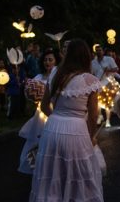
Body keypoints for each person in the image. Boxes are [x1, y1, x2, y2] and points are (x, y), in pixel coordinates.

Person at [29, 39, 103, 201]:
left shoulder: (55, 73)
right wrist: (91, 137)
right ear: (86, 56)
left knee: (52, 174)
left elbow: (44, 106)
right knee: (79, 175)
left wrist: (57, 118)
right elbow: (93, 116)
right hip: (77, 130)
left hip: (52, 129)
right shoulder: (89, 80)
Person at [18, 50, 61, 174]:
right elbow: (32, 95)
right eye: (45, 59)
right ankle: (38, 166)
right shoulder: (38, 77)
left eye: (50, 59)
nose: (47, 62)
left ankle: (54, 167)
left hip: (54, 112)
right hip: (40, 114)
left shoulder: (59, 77)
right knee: (39, 139)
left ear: (56, 61)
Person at [91, 45, 119, 127]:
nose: (98, 52)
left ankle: (108, 120)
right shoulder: (93, 62)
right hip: (97, 84)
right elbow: (92, 74)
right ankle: (100, 116)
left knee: (108, 103)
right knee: (98, 103)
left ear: (103, 51)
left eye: (100, 50)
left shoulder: (109, 59)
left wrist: (109, 70)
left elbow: (116, 69)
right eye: (97, 50)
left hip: (107, 83)